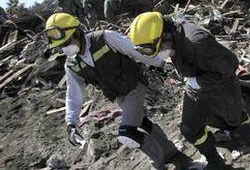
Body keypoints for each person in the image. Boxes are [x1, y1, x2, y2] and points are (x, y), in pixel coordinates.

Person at [42, 13, 180, 169]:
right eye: (61, 45)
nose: (65, 47)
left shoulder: (105, 38)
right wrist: (71, 123)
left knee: (127, 133)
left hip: (134, 85)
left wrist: (162, 64)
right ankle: (171, 152)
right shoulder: (72, 65)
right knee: (142, 122)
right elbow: (73, 94)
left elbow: (136, 52)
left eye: (67, 42)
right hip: (119, 96)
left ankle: (159, 163)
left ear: (77, 32)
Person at [129, 12, 250, 169]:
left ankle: (246, 137)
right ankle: (214, 160)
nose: (159, 53)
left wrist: (198, 81)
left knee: (234, 119)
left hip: (222, 85)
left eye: (158, 48)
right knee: (189, 128)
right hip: (195, 88)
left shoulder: (197, 41)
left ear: (165, 35)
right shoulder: (172, 39)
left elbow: (230, 66)